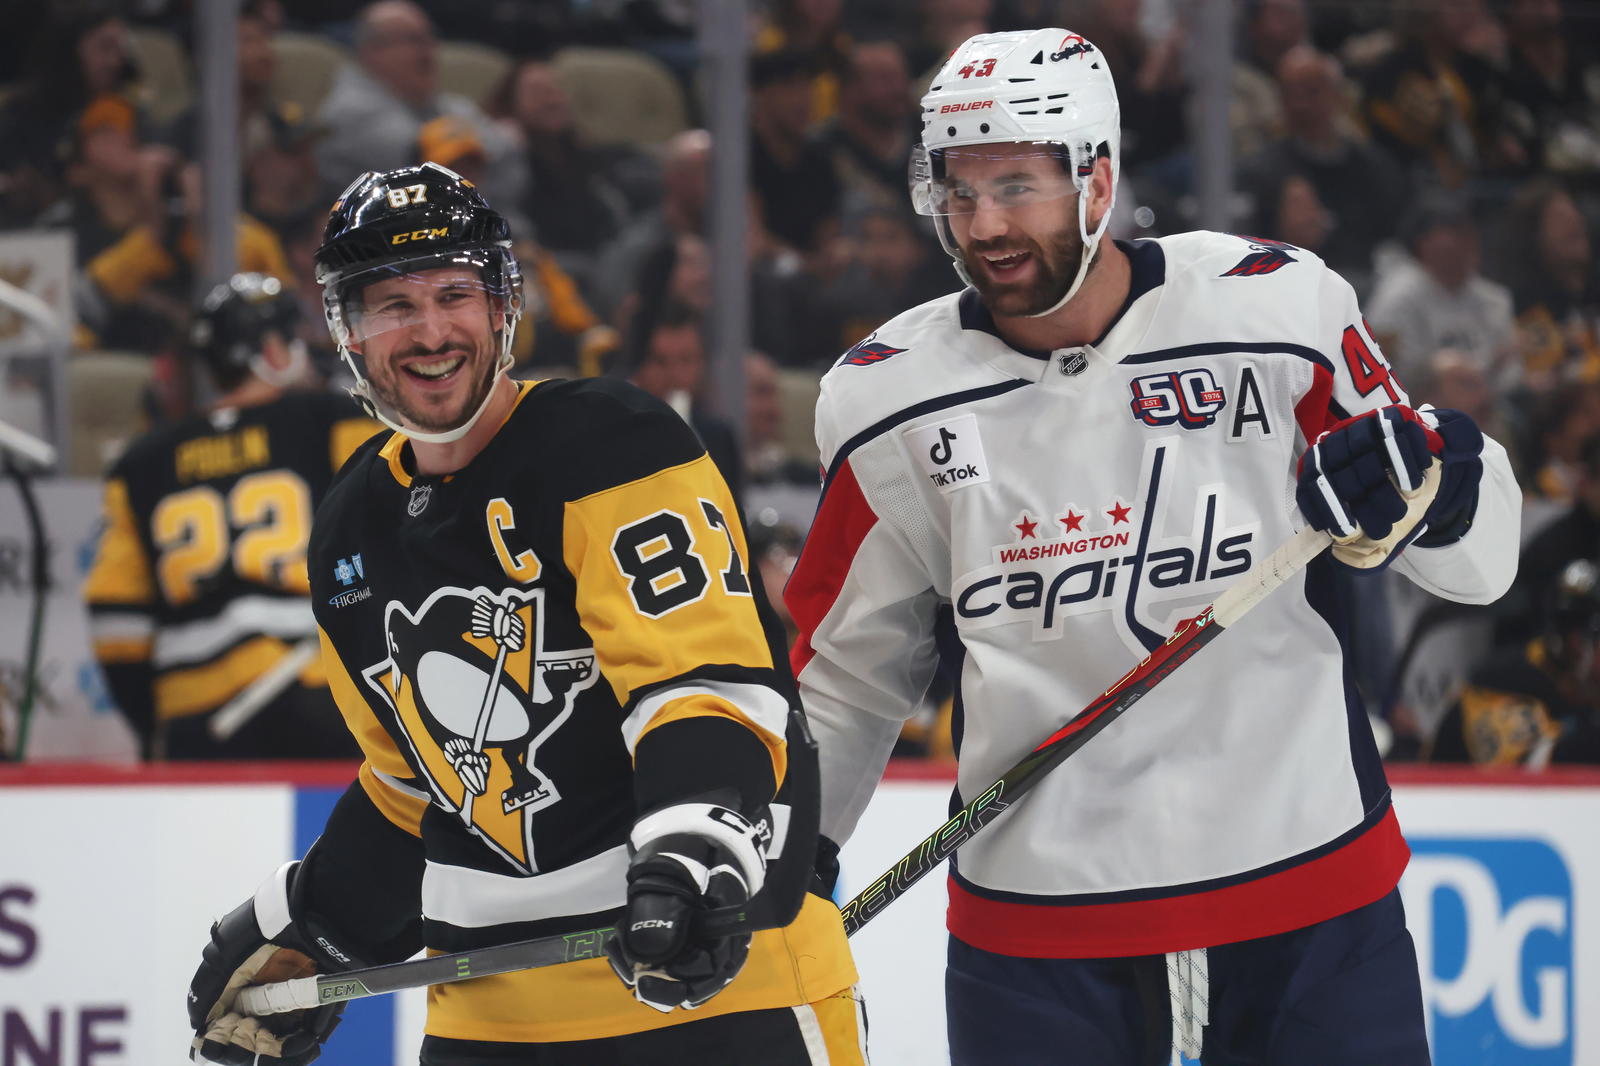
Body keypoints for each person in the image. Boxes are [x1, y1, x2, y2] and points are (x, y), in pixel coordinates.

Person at [783, 28, 1520, 1065]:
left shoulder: (1277, 310)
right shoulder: (884, 395)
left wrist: (1433, 489)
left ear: (1098, 178)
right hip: (1038, 944)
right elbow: (851, 678)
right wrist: (780, 858)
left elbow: (1481, 565)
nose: (984, 224)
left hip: (1309, 905)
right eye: (957, 190)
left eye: (1016, 185)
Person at [185, 164, 863, 1066]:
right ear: (346, 330)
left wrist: (695, 843)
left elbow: (705, 686)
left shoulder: (609, 442)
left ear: (503, 306)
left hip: (707, 983)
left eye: (454, 293)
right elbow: (415, 786)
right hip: (489, 1019)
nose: (430, 331)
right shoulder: (351, 527)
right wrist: (312, 924)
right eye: (392, 304)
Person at [83, 273, 377, 759]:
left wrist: (152, 723)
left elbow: (116, 620)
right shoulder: (332, 421)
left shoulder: (141, 462)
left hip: (198, 717)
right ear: (272, 351)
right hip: (319, 692)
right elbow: (395, 531)